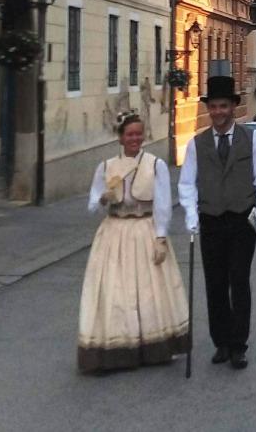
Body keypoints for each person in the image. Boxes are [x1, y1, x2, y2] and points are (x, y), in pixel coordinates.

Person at [176, 67, 256, 370]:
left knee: (238, 280)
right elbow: (186, 183)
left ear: (233, 107)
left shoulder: (252, 140)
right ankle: (220, 341)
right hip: (210, 220)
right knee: (214, 283)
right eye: (213, 106)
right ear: (208, 109)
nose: (218, 112)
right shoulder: (197, 143)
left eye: (223, 106)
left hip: (242, 219)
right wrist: (191, 216)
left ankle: (238, 345)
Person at [77, 111, 189, 374]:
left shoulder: (155, 164)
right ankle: (118, 347)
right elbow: (92, 204)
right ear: (120, 137)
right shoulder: (105, 167)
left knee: (150, 291)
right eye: (130, 134)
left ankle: (151, 345)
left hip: (144, 229)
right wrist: (103, 198)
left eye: (139, 134)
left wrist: (161, 236)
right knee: (115, 291)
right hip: (114, 232)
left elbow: (163, 204)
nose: (135, 139)